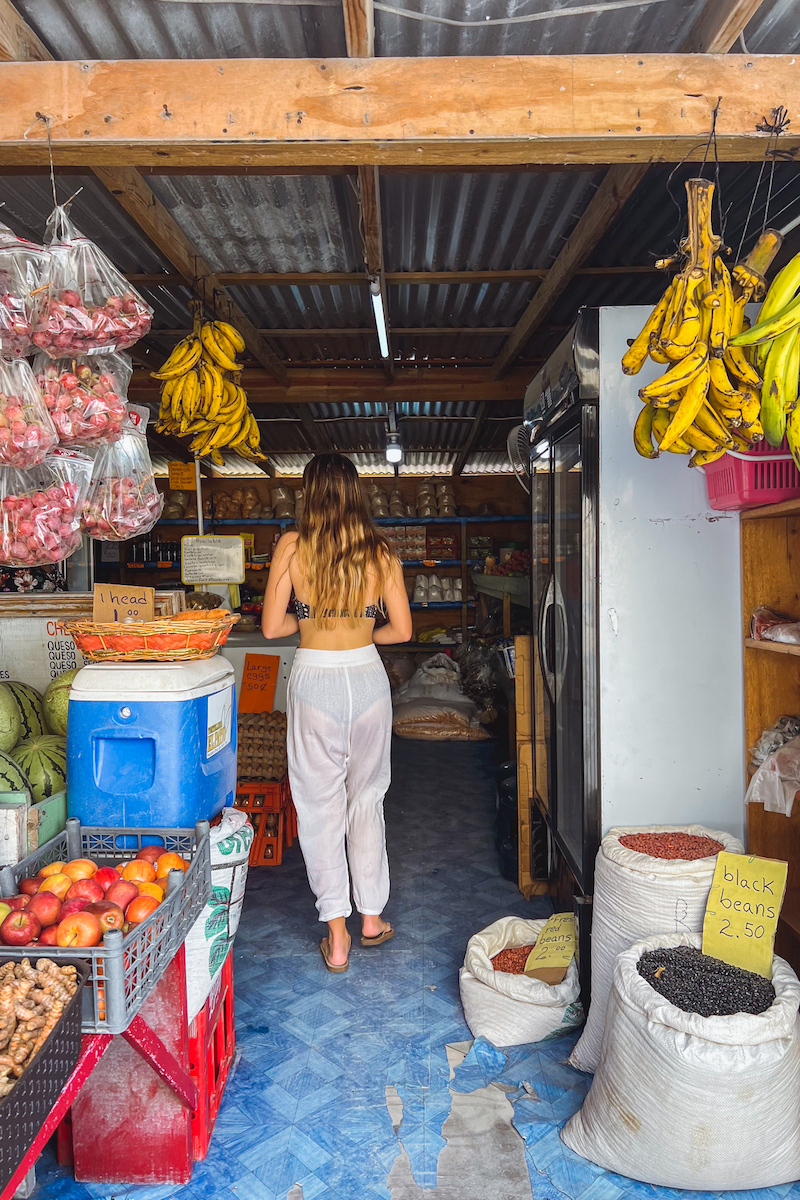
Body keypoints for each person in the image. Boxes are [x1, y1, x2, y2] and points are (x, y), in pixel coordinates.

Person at [261, 454, 412, 972]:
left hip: (315, 679)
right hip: (368, 679)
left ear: (309, 494)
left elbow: (270, 628)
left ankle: (338, 935)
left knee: (319, 806)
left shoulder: (291, 546)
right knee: (366, 799)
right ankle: (372, 917)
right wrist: (362, 631)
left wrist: (312, 620)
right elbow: (404, 631)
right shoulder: (380, 551)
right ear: (355, 494)